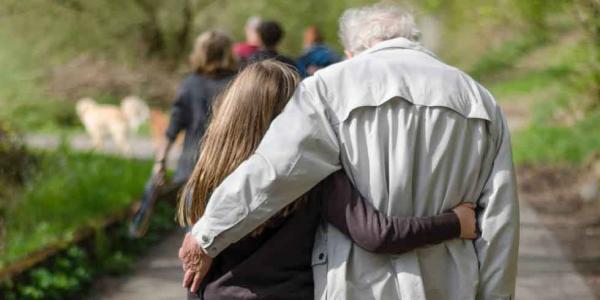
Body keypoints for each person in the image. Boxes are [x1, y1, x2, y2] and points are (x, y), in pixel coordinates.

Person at [180, 3, 520, 300]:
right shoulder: (480, 100)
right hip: (451, 283)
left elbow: (275, 171)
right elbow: (500, 219)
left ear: (352, 52)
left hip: (358, 283)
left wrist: (208, 235)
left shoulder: (326, 89)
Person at [153, 30, 237, 190]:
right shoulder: (240, 83)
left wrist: (160, 163)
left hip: (192, 169)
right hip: (229, 171)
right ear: (228, 53)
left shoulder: (190, 84)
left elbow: (172, 130)